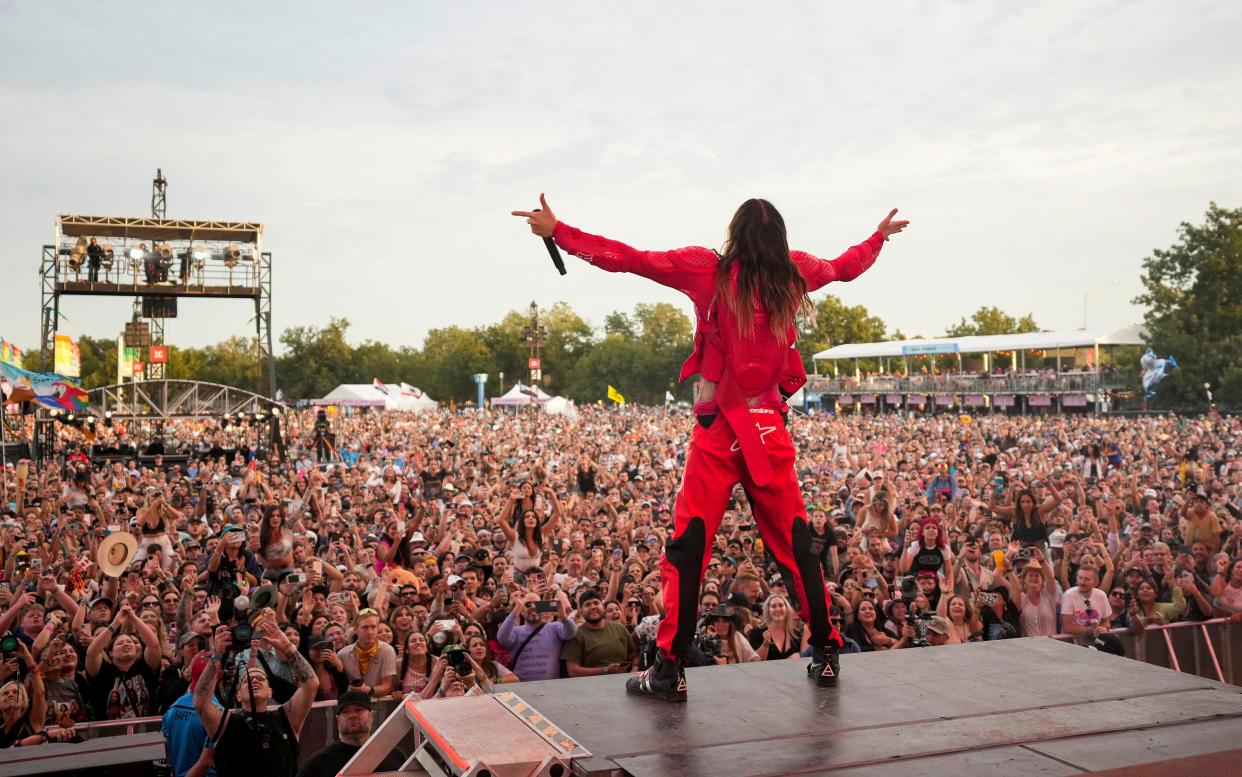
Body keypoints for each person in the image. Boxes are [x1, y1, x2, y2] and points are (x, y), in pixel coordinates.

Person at [513, 194, 907, 700]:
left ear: (734, 234)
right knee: (796, 544)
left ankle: (669, 668)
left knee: (689, 546)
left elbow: (629, 259)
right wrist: (877, 238)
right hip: (768, 429)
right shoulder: (796, 275)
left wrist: (559, 231)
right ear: (779, 238)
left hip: (720, 428)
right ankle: (827, 654)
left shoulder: (709, 272)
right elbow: (846, 267)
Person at [193, 617, 319, 777]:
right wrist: (216, 655)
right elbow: (200, 702)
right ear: (238, 694)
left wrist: (288, 648)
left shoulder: (286, 719)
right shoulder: (226, 723)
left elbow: (311, 684)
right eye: (247, 680)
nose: (254, 680)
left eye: (261, 678)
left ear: (270, 692)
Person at [295, 690, 407, 777]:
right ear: (338, 719)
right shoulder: (318, 764)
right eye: (345, 711)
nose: (352, 715)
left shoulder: (394, 755)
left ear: (371, 715)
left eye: (358, 709)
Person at [496, 590, 578, 682]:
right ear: (522, 612)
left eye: (537, 604)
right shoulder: (515, 632)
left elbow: (572, 632)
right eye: (528, 605)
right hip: (522, 688)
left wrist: (563, 616)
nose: (533, 607)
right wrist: (517, 607)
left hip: (551, 687)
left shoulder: (555, 627)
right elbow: (501, 637)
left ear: (543, 609)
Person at [161, 652, 217, 777]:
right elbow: (206, 762)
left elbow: (166, 748)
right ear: (218, 675)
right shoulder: (216, 710)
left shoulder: (174, 706)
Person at [561, 589, 637, 678]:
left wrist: (635, 668)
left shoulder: (619, 628)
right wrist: (606, 670)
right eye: (587, 604)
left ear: (603, 608)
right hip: (592, 688)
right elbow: (573, 671)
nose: (593, 607)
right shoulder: (576, 635)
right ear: (581, 611)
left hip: (624, 684)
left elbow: (634, 654)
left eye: (596, 603)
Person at [337, 609, 397, 698]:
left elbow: (387, 687)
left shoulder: (387, 650)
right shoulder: (342, 654)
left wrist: (368, 690)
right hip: (354, 704)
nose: (370, 632)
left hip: (379, 704)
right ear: (355, 629)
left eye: (373, 627)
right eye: (365, 627)